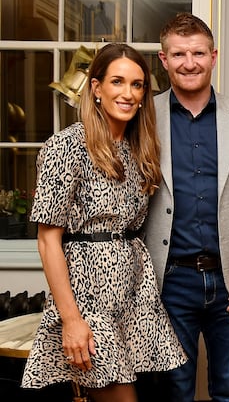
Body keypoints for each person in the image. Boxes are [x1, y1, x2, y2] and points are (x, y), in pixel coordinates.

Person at [20, 43, 186, 401]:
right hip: (88, 295)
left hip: (135, 292)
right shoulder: (67, 146)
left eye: (138, 84)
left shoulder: (138, 148)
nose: (128, 93)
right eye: (117, 82)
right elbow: (48, 240)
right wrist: (71, 319)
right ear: (96, 88)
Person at [143, 13, 229, 402]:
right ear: (164, 60)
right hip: (168, 282)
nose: (189, 62)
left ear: (214, 56)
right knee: (174, 390)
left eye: (198, 52)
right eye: (178, 54)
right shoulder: (143, 116)